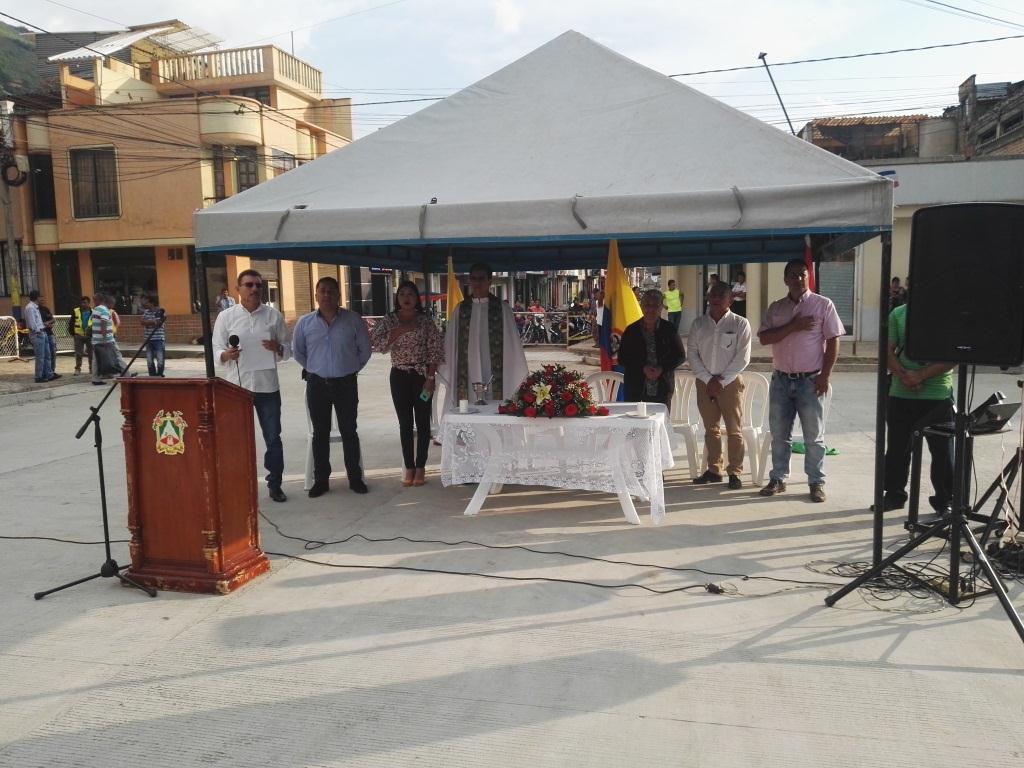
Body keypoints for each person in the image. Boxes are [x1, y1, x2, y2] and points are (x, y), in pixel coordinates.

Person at [757, 258, 844, 502]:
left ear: (808, 277)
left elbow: (833, 341)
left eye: (802, 275)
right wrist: (794, 326)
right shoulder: (777, 308)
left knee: (813, 437)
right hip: (781, 380)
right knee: (779, 435)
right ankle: (778, 478)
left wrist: (825, 375)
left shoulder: (823, 305)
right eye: (793, 275)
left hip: (810, 380)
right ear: (785, 279)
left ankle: (816, 482)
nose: (798, 279)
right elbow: (764, 338)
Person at [212, 270, 291, 503]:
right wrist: (226, 355)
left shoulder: (273, 316)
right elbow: (216, 349)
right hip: (237, 389)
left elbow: (288, 350)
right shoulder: (226, 317)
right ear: (238, 289)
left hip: (268, 387)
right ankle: (239, 486)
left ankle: (275, 484)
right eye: (249, 285)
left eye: (258, 285)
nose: (254, 289)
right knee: (236, 440)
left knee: (273, 438)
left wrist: (277, 348)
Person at [292, 276, 371, 498]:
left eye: (331, 291)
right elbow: (298, 352)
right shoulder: (305, 323)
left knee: (349, 431)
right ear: (316, 295)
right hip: (317, 384)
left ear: (339, 295)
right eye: (323, 291)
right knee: (320, 433)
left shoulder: (353, 320)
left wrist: (350, 369)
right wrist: (314, 368)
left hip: (346, 383)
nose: (327, 295)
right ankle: (321, 480)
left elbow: (365, 350)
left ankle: (355, 478)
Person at [369, 280, 445, 487]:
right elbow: (378, 344)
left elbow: (435, 350)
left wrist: (430, 378)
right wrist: (401, 330)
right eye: (402, 294)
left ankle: (421, 467)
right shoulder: (389, 320)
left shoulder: (425, 321)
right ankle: (409, 467)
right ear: (397, 298)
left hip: (422, 375)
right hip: (399, 375)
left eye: (410, 294)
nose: (406, 298)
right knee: (405, 423)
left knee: (423, 423)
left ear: (416, 298)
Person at [881, 301, 954, 514]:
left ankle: (945, 500)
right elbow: (887, 350)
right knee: (897, 448)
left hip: (937, 395)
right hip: (900, 392)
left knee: (942, 452)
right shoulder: (899, 313)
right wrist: (905, 377)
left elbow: (955, 355)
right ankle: (894, 495)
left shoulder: (948, 312)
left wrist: (920, 376)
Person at [689, 281, 752, 489]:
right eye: (712, 295)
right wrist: (708, 380)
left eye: (720, 295)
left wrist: (721, 381)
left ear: (730, 299)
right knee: (711, 429)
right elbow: (692, 355)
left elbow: (743, 358)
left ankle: (735, 472)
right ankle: (714, 470)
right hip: (704, 383)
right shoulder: (698, 324)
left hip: (730, 383)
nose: (715, 298)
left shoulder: (740, 324)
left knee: (734, 430)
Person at [440, 262, 528, 407]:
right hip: (466, 369)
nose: (477, 283)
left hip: (496, 372)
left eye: (481, 278)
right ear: (469, 280)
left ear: (489, 281)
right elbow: (450, 344)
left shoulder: (502, 309)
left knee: (496, 403)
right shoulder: (461, 309)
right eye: (474, 279)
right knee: (465, 404)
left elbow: (513, 345)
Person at [618, 289, 685, 408]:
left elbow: (680, 356)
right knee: (633, 418)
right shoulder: (631, 330)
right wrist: (643, 368)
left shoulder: (669, 329)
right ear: (641, 306)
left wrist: (661, 368)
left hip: (662, 388)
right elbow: (622, 358)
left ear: (661, 307)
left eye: (655, 305)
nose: (651, 309)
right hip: (635, 388)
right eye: (647, 305)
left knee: (660, 419)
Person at [25, 290, 57, 383]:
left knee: (47, 355)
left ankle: (49, 374)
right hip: (38, 334)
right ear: (37, 297)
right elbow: (32, 324)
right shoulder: (30, 308)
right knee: (40, 356)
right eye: (40, 297)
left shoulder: (35, 307)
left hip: (43, 332)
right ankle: (38, 376)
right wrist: (38, 331)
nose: (41, 298)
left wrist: (44, 327)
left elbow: (38, 322)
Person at [90, 293, 121, 385]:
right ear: (109, 303)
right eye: (113, 304)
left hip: (96, 339)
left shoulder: (95, 310)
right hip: (106, 339)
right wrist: (104, 339)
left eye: (94, 300)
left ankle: (95, 378)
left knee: (96, 360)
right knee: (117, 356)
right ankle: (126, 374)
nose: (113, 306)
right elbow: (103, 324)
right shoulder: (104, 310)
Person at [139, 294, 166, 377]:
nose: (145, 304)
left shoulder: (160, 312)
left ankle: (160, 374)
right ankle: (152, 375)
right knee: (149, 359)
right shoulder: (146, 312)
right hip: (148, 339)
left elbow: (158, 323)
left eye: (147, 302)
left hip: (158, 339)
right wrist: (152, 322)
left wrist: (148, 323)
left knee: (160, 358)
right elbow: (142, 322)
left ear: (152, 303)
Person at [68, 295, 92, 375]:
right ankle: (77, 368)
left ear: (89, 303)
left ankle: (91, 368)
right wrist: (73, 333)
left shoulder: (93, 312)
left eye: (85, 303)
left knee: (91, 353)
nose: (83, 304)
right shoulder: (76, 311)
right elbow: (71, 322)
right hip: (78, 335)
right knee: (78, 353)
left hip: (90, 335)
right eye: (82, 303)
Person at [38, 298, 58, 375]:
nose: (42, 302)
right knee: (44, 355)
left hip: (49, 334)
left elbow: (53, 319)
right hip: (41, 334)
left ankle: (52, 371)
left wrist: (48, 323)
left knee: (53, 353)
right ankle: (44, 372)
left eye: (43, 300)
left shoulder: (46, 309)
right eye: (41, 300)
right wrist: (44, 324)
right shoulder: (35, 310)